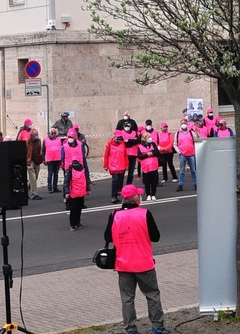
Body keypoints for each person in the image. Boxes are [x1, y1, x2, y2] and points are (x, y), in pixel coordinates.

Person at [104, 184, 169, 334]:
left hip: (123, 263)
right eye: (139, 195)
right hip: (143, 262)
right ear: (136, 199)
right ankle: (157, 327)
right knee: (152, 295)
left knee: (127, 298)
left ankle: (131, 329)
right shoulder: (145, 214)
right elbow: (156, 237)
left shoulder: (114, 215)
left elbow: (107, 237)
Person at [104, 130, 129, 203]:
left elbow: (125, 155)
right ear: (114, 137)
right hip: (113, 166)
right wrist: (105, 165)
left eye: (120, 138)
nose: (119, 140)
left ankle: (119, 192)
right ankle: (113, 196)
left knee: (120, 181)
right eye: (118, 138)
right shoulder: (109, 144)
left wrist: (127, 164)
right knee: (115, 180)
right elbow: (106, 155)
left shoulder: (122, 144)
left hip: (122, 165)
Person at [64, 159, 90, 231]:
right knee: (79, 208)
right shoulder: (83, 169)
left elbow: (66, 182)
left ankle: (72, 224)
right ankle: (78, 222)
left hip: (73, 193)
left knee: (73, 209)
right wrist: (88, 189)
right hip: (81, 191)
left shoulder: (70, 170)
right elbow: (87, 179)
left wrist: (67, 192)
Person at [137, 130, 160, 201]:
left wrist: (151, 153)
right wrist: (147, 154)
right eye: (148, 137)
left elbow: (157, 152)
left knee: (154, 181)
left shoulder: (153, 144)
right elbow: (139, 156)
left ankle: (153, 194)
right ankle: (148, 195)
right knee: (147, 181)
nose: (150, 138)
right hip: (146, 166)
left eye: (150, 137)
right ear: (144, 138)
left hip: (153, 165)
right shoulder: (140, 146)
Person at [174, 121, 197, 192]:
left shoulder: (191, 133)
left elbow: (196, 141)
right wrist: (179, 152)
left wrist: (194, 151)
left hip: (191, 154)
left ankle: (196, 184)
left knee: (193, 170)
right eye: (182, 123)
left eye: (185, 123)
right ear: (180, 125)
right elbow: (175, 144)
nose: (183, 125)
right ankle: (180, 184)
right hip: (183, 154)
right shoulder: (177, 133)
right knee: (182, 171)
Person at [42, 127, 63, 193]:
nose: (54, 134)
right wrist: (43, 159)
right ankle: (50, 187)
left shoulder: (59, 139)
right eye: (52, 133)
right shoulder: (45, 139)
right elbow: (43, 150)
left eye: (54, 133)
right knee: (50, 174)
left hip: (57, 159)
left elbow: (62, 149)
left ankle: (55, 187)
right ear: (49, 133)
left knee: (56, 174)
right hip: (50, 159)